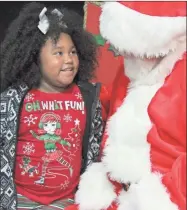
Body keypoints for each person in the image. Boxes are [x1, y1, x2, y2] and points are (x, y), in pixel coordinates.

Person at [75, 1, 186, 210]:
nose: (120, 53)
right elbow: (109, 107)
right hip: (115, 195)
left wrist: (164, 195)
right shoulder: (132, 70)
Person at [0, 2, 104, 209]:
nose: (69, 60)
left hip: (68, 200)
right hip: (20, 199)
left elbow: (95, 147)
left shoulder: (87, 98)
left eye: (73, 52)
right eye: (58, 53)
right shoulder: (12, 100)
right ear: (35, 58)